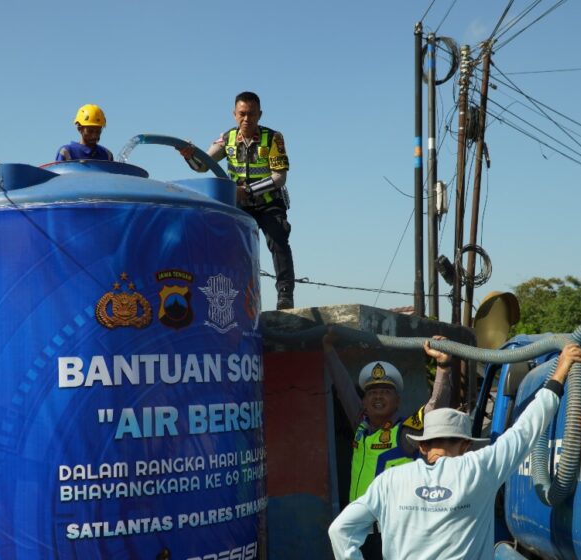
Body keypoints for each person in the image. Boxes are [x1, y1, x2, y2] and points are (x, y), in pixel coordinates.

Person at [328, 343, 581, 560]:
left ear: (422, 445)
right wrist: (559, 374)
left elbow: (340, 530)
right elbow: (526, 431)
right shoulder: (479, 469)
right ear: (466, 445)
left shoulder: (389, 481)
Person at [323, 329, 453, 559]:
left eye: (385, 392)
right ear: (364, 400)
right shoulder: (361, 426)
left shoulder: (404, 432)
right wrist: (329, 350)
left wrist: (443, 368)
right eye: (372, 392)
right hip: (361, 531)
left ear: (397, 401)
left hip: (394, 533)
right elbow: (344, 389)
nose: (378, 397)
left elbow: (435, 408)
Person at [178, 91, 295, 310]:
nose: (246, 119)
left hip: (269, 201)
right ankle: (240, 297)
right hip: (241, 206)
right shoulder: (227, 138)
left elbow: (279, 177)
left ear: (260, 115)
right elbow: (202, 165)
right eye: (242, 114)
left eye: (251, 114)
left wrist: (247, 190)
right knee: (236, 248)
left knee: (278, 241)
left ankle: (285, 296)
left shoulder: (273, 138)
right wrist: (189, 155)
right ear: (234, 114)